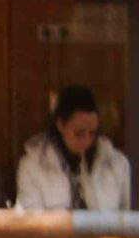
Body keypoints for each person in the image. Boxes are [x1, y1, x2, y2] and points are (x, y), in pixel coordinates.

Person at [15, 83, 131, 211]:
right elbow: (32, 219)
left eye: (92, 133)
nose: (86, 141)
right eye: (79, 133)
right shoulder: (32, 167)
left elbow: (129, 216)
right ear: (60, 125)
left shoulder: (117, 164)